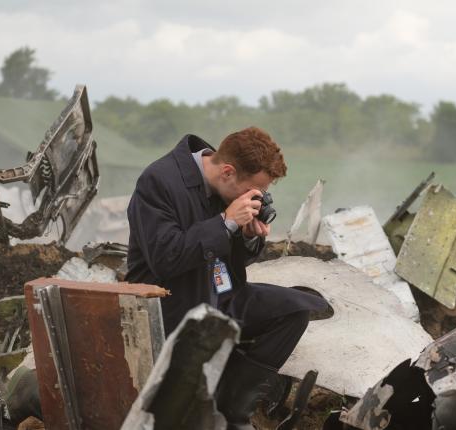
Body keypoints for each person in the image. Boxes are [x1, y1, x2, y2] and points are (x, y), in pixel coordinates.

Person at [126, 127, 327, 429]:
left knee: (296, 309)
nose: (253, 198)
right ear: (228, 172)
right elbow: (166, 258)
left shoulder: (225, 187)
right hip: (172, 303)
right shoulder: (159, 181)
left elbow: (229, 260)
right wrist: (226, 222)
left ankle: (233, 410)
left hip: (221, 293)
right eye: (251, 191)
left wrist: (246, 238)